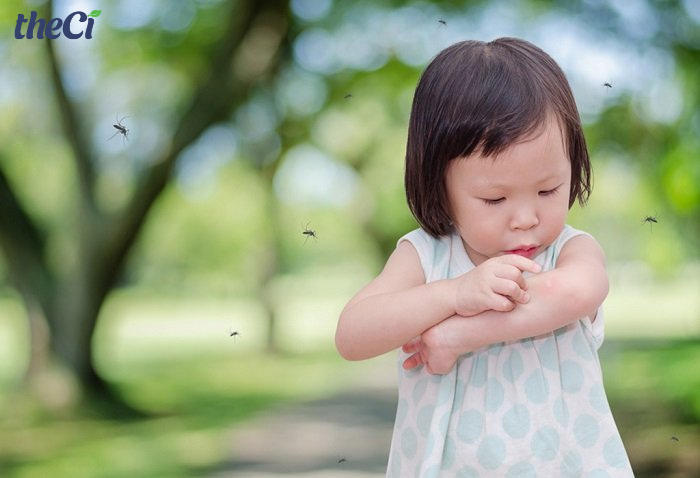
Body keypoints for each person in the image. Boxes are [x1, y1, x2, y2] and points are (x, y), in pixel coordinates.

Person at [335, 37, 634, 477]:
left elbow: (580, 292)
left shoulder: (568, 250)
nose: (526, 218)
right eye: (495, 199)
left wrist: (460, 335)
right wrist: (453, 294)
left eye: (549, 190)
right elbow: (352, 334)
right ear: (440, 186)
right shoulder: (426, 258)